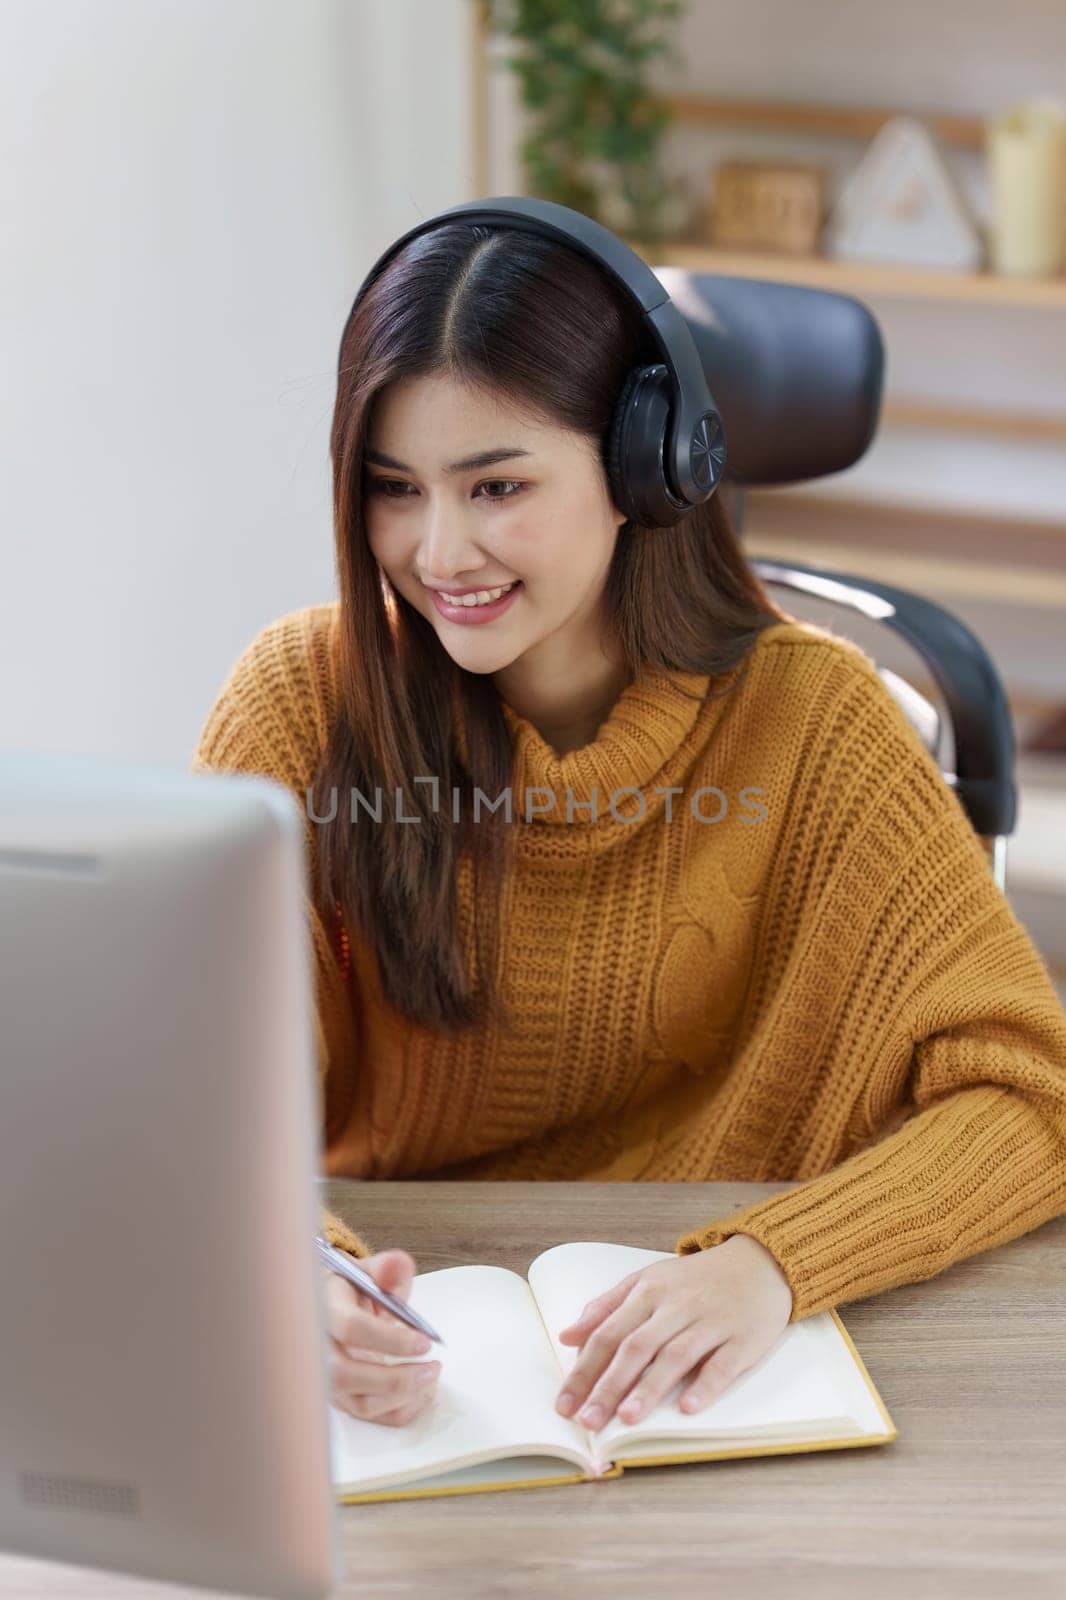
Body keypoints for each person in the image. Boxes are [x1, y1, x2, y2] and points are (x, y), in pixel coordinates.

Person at [192, 217, 1066, 1436]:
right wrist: (300, 1268)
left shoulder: (817, 722)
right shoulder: (298, 702)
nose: (437, 550)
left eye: (497, 485)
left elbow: (1029, 1098)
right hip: (415, 1337)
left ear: (643, 466)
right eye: (394, 489)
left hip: (719, 1360)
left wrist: (772, 1263)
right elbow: (200, 1090)